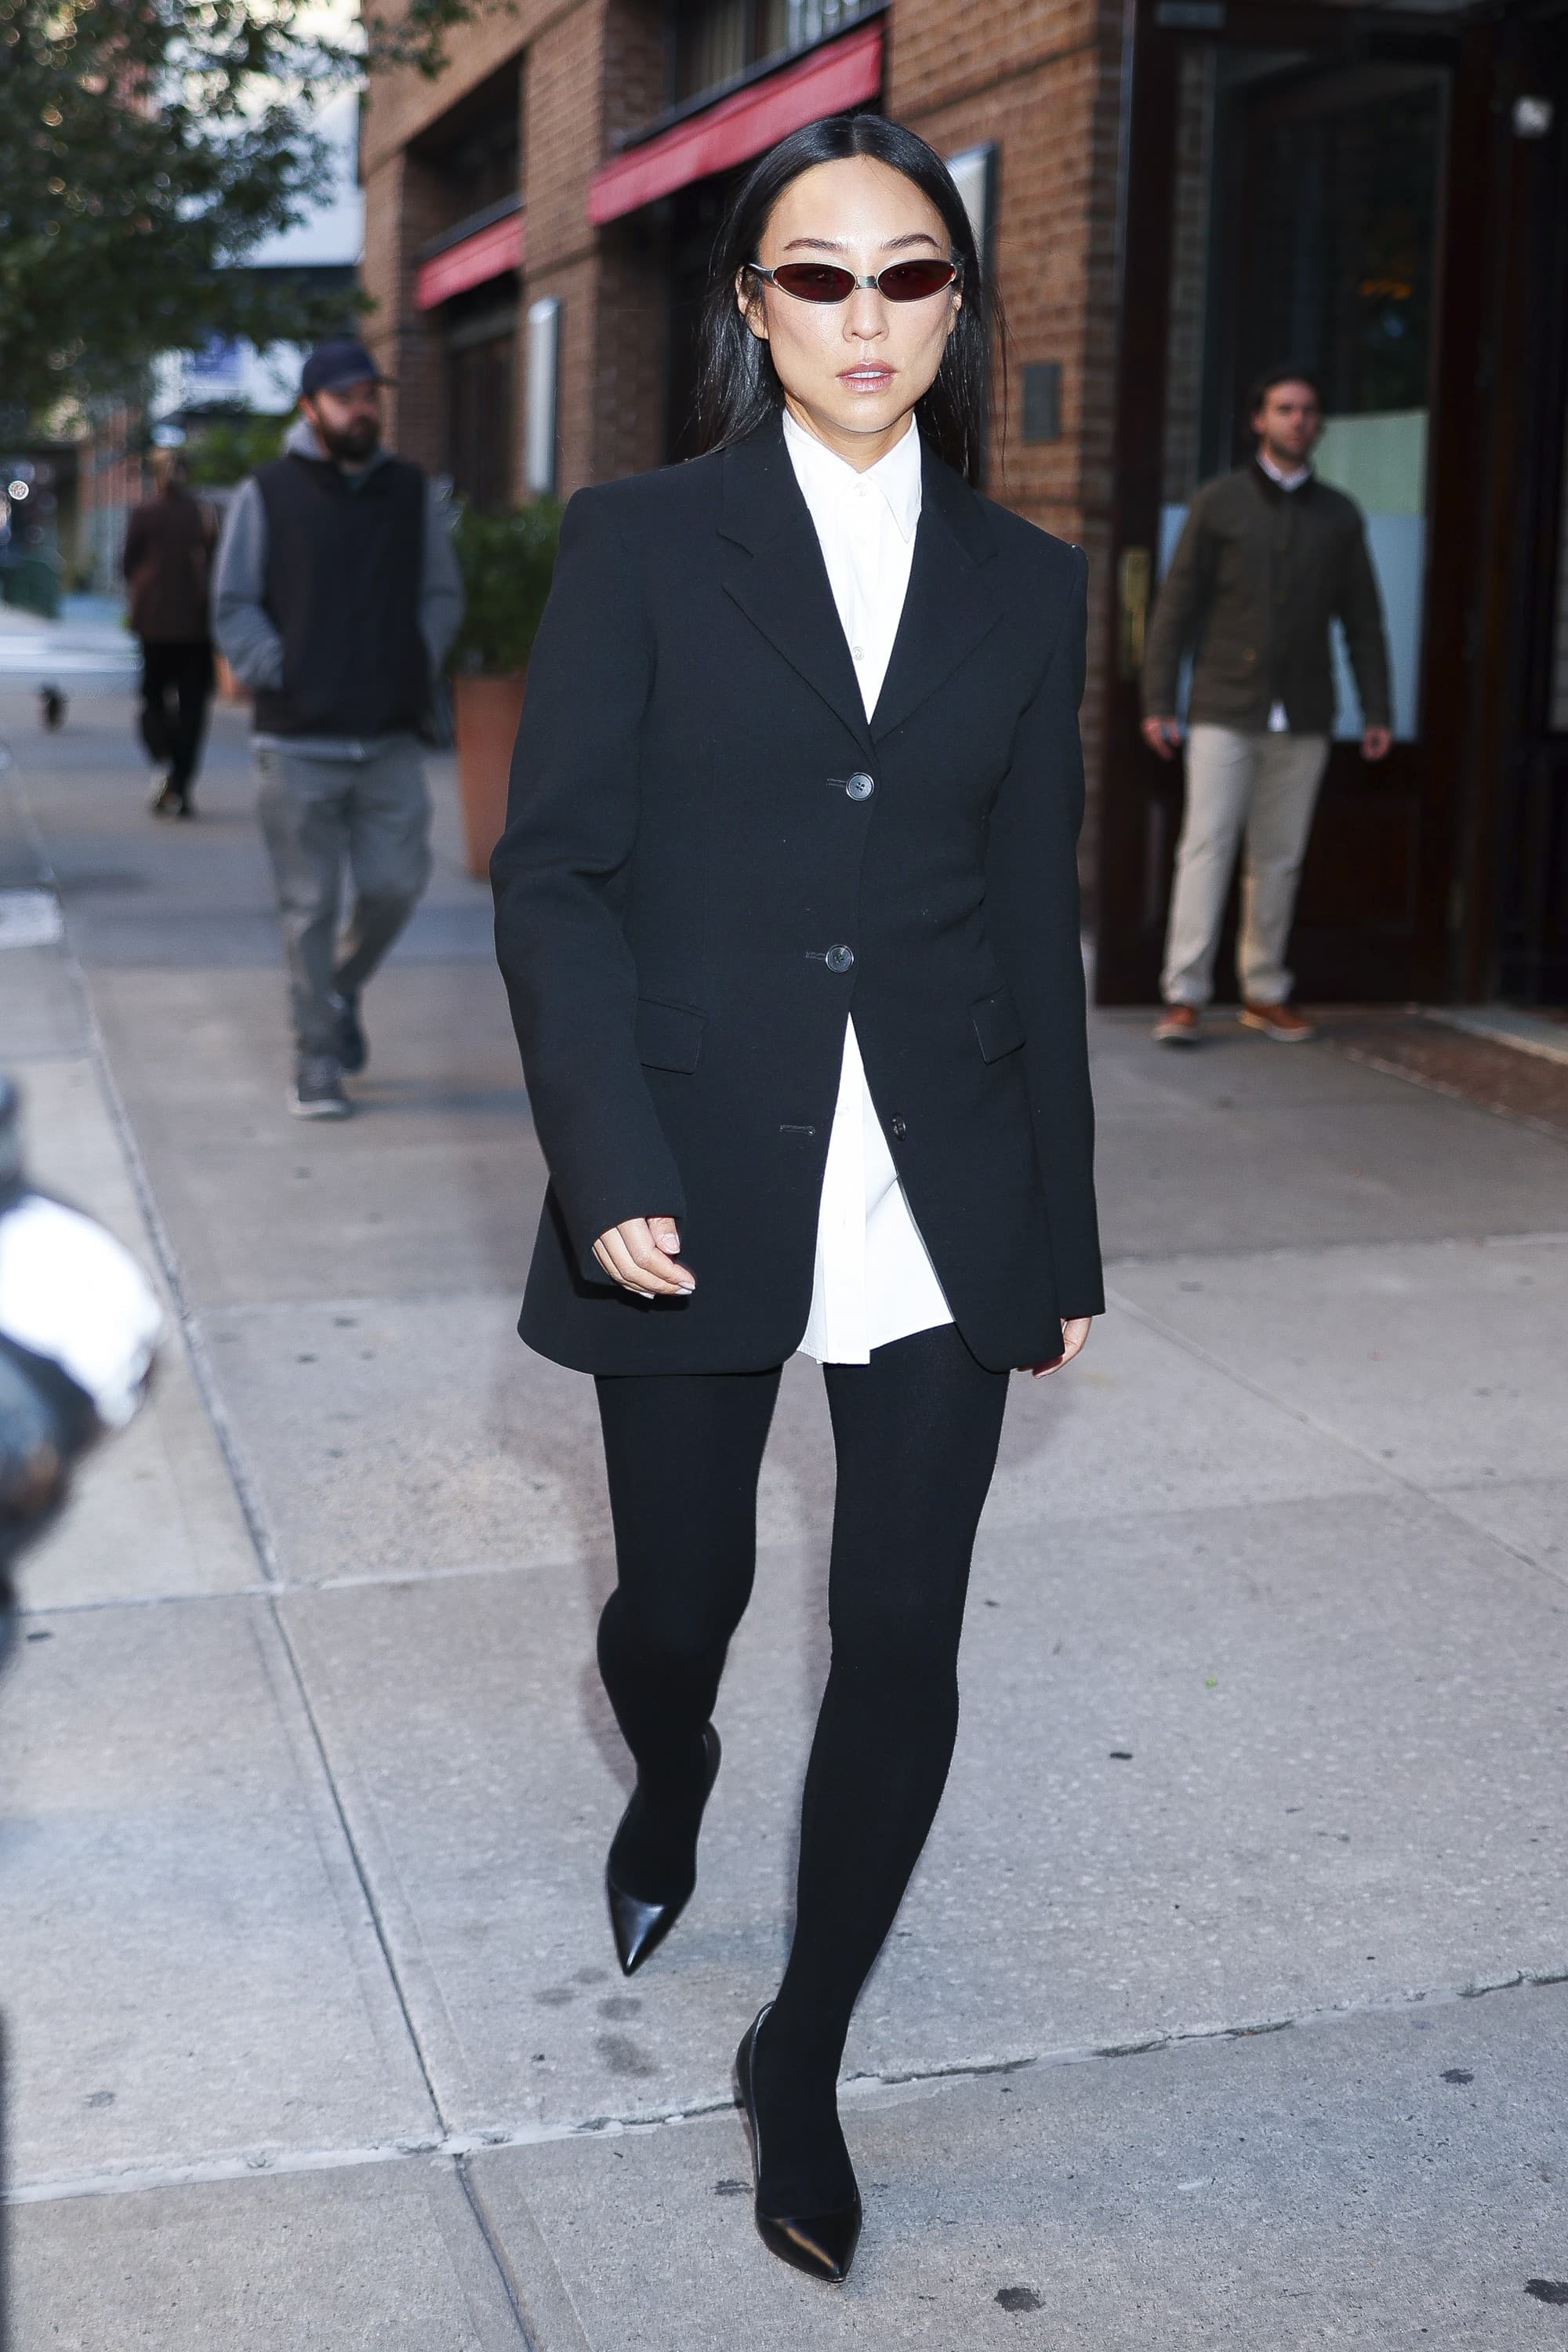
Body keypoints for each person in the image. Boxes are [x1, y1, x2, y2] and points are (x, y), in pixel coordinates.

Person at [492, 115, 1102, 2285]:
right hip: (686, 1164)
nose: (866, 315)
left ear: (956, 304)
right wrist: (604, 1155)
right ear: (752, 308)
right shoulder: (643, 543)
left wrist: (1061, 1234)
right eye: (818, 275)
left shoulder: (1029, 583)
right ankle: (668, 1772)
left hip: (939, 1179)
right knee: (685, 1603)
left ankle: (804, 2047)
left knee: (906, 1632)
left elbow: (1029, 913)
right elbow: (554, 873)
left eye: (908, 273)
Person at [212, 338, 463, 1119]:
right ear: (309, 408)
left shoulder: (408, 489)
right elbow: (233, 603)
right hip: (296, 742)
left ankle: (338, 989)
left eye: (369, 397)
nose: (362, 410)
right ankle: (316, 1055)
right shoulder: (268, 492)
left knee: (395, 886)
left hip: (388, 737)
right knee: (309, 907)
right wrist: (280, 667)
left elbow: (440, 593)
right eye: (346, 397)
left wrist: (414, 658)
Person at [1142, 368, 1393, 1045]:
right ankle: (1184, 995)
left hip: (1305, 714)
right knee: (1206, 848)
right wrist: (1159, 700)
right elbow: (1176, 609)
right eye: (1284, 409)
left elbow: (1364, 621)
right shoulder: (1218, 503)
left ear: (1318, 425)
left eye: (1308, 410)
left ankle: (1265, 989)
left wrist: (1376, 709)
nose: (1297, 420)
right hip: (1224, 707)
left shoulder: (1339, 514)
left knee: (1279, 858)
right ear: (1260, 419)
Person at [122, 450, 217, 818]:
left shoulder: (144, 513)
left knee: (153, 698)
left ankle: (164, 761)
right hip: (195, 623)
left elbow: (126, 563)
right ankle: (180, 782)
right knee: (192, 706)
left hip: (155, 623)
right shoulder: (202, 513)